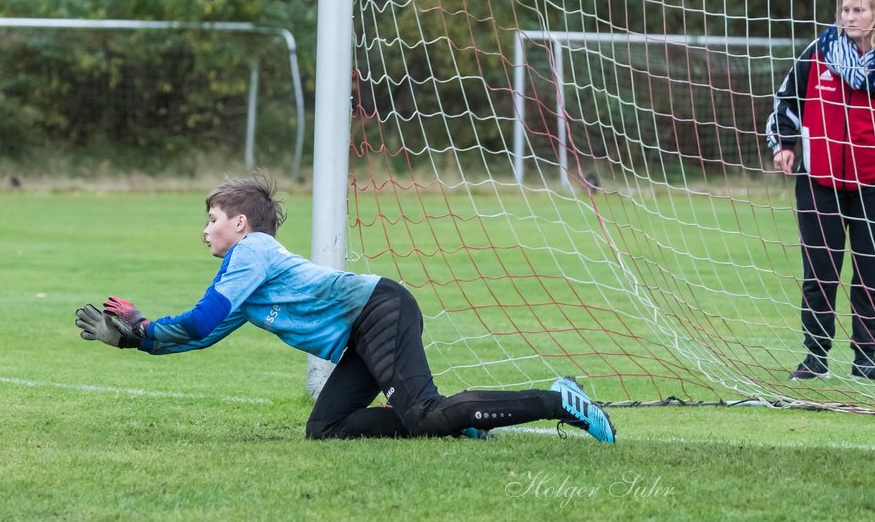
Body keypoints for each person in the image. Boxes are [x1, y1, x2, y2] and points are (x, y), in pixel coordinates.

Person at [74, 174, 615, 443]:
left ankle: (559, 400)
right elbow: (202, 336)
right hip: (362, 330)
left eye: (213, 217)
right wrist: (134, 338)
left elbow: (198, 320)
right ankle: (459, 422)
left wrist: (140, 328)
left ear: (240, 224)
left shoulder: (253, 252)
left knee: (424, 413)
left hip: (380, 310)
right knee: (326, 430)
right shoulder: (248, 276)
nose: (205, 229)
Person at [765, 0, 875, 381]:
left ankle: (866, 358)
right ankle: (815, 358)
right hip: (818, 181)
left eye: (858, 9)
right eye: (845, 9)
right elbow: (785, 101)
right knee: (820, 273)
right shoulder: (818, 53)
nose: (849, 16)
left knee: (872, 274)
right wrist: (785, 144)